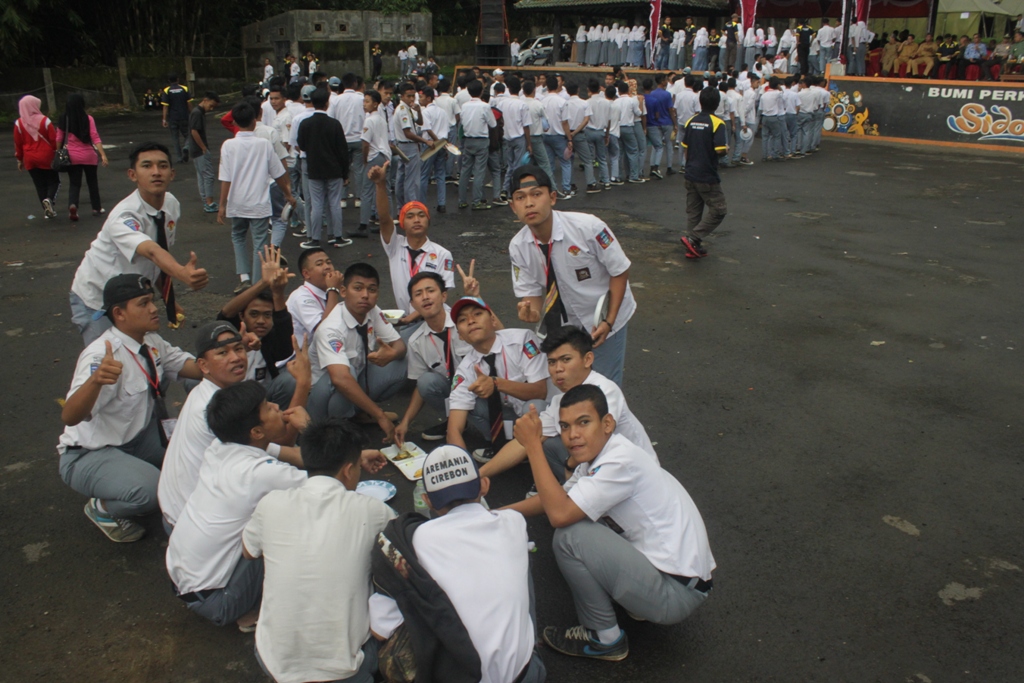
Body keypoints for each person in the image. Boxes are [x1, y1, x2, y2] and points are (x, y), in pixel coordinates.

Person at [507, 384, 716, 662]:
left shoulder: (618, 462)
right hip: (680, 577)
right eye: (565, 426)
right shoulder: (603, 455)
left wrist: (533, 446)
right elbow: (556, 498)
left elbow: (559, 514)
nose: (573, 435)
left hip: (676, 593)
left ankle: (604, 638)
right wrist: (499, 513)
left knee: (570, 535)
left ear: (607, 423)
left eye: (584, 423)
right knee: (579, 518)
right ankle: (636, 603)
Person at [370, 445, 546, 683]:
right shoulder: (514, 523)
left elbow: (380, 630)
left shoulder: (417, 539)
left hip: (457, 674)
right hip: (524, 675)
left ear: (427, 500)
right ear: (484, 485)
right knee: (522, 560)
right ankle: (529, 646)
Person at [244, 418, 392, 683]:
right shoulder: (373, 510)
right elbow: (402, 552)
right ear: (348, 471)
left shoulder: (272, 503)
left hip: (272, 659)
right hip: (343, 670)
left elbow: (248, 552)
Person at [58, 274, 202, 543]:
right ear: (119, 313)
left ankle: (131, 474)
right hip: (90, 453)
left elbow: (190, 367)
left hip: (137, 438)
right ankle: (101, 509)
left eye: (152, 301)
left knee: (187, 463)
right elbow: (71, 416)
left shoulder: (151, 342)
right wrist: (95, 380)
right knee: (150, 491)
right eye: (143, 303)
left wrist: (229, 352)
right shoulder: (101, 355)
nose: (153, 308)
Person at [166, 381, 309, 630]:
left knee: (262, 516)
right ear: (256, 432)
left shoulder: (219, 446)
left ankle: (246, 599)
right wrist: (310, 429)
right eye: (268, 408)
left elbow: (290, 455)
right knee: (291, 522)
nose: (277, 407)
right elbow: (330, 486)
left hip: (184, 581)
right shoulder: (260, 473)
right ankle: (252, 609)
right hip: (218, 601)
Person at [159, 314, 307, 531]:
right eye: (222, 353)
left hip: (179, 514)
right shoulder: (217, 409)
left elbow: (283, 451)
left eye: (239, 349)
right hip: (193, 525)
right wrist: (303, 384)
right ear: (203, 366)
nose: (236, 358)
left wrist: (352, 457)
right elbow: (284, 444)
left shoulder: (213, 393)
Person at [507, 165, 636, 386]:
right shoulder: (518, 246)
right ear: (512, 206)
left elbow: (619, 271)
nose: (529, 203)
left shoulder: (588, 227)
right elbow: (532, 295)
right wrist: (533, 313)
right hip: (563, 326)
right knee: (571, 387)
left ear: (553, 197)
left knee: (606, 387)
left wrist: (609, 321)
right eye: (520, 198)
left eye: (536, 194)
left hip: (604, 316)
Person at [70, 142, 209, 345]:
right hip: (97, 298)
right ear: (132, 175)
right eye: (146, 166)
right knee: (109, 365)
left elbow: (157, 259)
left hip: (132, 297)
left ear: (172, 173)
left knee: (141, 358)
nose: (156, 172)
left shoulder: (171, 204)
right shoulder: (124, 215)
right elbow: (152, 251)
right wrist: (182, 273)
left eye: (162, 166)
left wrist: (169, 299)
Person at [479, 324, 655, 485]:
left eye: (566, 359)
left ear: (587, 359)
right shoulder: (562, 399)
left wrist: (569, 468)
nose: (558, 369)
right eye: (552, 362)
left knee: (564, 514)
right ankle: (568, 490)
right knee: (545, 442)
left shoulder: (605, 390)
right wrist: (478, 476)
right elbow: (522, 444)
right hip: (603, 470)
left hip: (637, 476)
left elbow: (597, 448)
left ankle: (572, 496)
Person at [307, 263, 408, 442]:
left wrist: (392, 354)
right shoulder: (331, 328)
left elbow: (399, 345)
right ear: (344, 292)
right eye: (358, 288)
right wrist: (380, 416)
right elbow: (340, 379)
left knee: (404, 362)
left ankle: (356, 414)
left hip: (356, 380)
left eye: (372, 289)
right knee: (347, 374)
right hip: (322, 399)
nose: (365, 295)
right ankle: (336, 428)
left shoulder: (372, 311)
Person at [445, 296, 548, 462]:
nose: (471, 321)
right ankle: (501, 446)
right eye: (463, 320)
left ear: (493, 320)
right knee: (468, 405)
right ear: (460, 335)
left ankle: (539, 459)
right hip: (506, 413)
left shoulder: (522, 340)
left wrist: (495, 383)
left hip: (540, 412)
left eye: (477, 314)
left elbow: (540, 391)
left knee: (535, 406)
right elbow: (454, 430)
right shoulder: (465, 368)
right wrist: (464, 471)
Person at [218, 102, 295, 291]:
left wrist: (222, 205)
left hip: (236, 202)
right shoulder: (263, 145)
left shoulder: (228, 145)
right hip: (259, 203)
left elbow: (225, 178)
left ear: (234, 122)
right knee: (259, 243)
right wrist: (287, 194)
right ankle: (257, 284)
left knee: (238, 237)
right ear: (255, 121)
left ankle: (243, 277)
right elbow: (277, 174)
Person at [394, 271, 477, 444]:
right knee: (425, 381)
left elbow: (498, 339)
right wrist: (405, 422)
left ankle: (493, 434)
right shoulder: (416, 341)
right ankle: (455, 422)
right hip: (455, 391)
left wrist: (477, 298)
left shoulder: (465, 322)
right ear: (413, 305)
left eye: (430, 291)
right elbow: (420, 387)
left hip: (481, 388)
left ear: (444, 295)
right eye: (418, 294)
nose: (425, 297)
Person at [371, 162, 455, 329]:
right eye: (410, 216)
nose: (416, 220)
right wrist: (380, 184)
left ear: (428, 220)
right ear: (401, 223)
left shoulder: (442, 254)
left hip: (435, 321)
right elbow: (384, 218)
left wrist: (411, 318)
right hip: (404, 321)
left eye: (421, 215)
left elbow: (441, 294)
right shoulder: (395, 246)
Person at [216, 246, 302, 404]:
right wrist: (263, 282)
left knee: (290, 380)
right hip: (231, 401)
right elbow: (226, 313)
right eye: (254, 314)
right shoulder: (231, 333)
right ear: (242, 316)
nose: (261, 321)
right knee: (192, 382)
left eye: (267, 315)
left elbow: (284, 345)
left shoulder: (271, 337)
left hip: (264, 400)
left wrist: (277, 293)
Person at [297, 87, 351, 250]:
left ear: (312, 102)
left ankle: (314, 238)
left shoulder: (305, 124)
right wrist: (345, 172)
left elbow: (302, 145)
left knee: (316, 204)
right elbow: (342, 150)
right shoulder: (334, 124)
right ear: (327, 103)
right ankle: (337, 236)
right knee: (334, 203)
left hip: (314, 169)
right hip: (334, 169)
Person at [680, 86, 728, 260]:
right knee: (719, 210)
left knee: (694, 211)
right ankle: (693, 237)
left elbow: (685, 147)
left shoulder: (691, 121)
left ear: (700, 101)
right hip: (707, 174)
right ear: (717, 103)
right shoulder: (718, 123)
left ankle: (692, 245)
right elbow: (720, 149)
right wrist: (726, 150)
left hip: (691, 171)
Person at [55, 93, 109, 222]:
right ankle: (96, 208)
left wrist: (58, 151)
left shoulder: (64, 118)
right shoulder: (88, 118)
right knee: (92, 182)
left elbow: (59, 138)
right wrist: (103, 154)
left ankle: (73, 205)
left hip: (72, 156)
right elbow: (95, 137)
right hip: (89, 156)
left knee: (74, 184)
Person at [286, 246, 345, 345]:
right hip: (298, 358)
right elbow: (325, 331)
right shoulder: (301, 297)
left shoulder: (326, 292)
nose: (327, 267)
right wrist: (333, 290)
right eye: (319, 264)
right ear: (306, 274)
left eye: (329, 262)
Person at [14, 94, 59, 219]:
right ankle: (49, 199)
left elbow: (18, 143)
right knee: (54, 181)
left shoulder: (18, 123)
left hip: (29, 158)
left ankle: (47, 211)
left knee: (39, 185)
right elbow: (54, 140)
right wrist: (57, 153)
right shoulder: (45, 121)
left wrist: (19, 159)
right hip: (46, 156)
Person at [458, 80, 498, 211]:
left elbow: (462, 122)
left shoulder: (464, 106)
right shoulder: (484, 106)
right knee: (479, 171)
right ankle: (476, 200)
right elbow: (493, 124)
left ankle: (462, 200)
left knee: (465, 171)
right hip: (481, 140)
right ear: (481, 91)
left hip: (468, 139)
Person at [393, 82, 434, 206]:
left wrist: (419, 111)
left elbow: (419, 122)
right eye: (408, 96)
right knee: (412, 181)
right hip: (409, 146)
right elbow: (408, 133)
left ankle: (402, 208)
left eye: (413, 96)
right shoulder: (403, 111)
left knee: (401, 178)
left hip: (403, 145)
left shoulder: (408, 109)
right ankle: (412, 207)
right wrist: (425, 141)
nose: (411, 99)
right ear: (402, 96)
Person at [359, 89, 390, 235]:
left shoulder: (369, 120)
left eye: (367, 101)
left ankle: (363, 224)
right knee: (383, 188)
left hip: (373, 155)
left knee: (366, 191)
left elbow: (365, 143)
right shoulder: (381, 119)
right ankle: (382, 219)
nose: (364, 104)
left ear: (376, 104)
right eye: (364, 101)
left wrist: (365, 160)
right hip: (384, 154)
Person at [541, 75, 574, 199]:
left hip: (545, 135)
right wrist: (569, 138)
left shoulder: (542, 101)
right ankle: (566, 189)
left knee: (549, 164)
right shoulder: (562, 102)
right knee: (566, 162)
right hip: (559, 135)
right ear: (558, 85)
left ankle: (551, 189)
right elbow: (565, 122)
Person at [187, 91, 220, 214]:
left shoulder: (197, 112)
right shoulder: (197, 113)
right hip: (199, 149)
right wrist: (203, 147)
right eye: (211, 105)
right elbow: (194, 131)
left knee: (202, 176)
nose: (211, 109)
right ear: (205, 100)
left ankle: (206, 201)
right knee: (208, 176)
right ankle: (209, 202)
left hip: (195, 149)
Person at [645, 74, 676, 180]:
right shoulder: (667, 94)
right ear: (662, 81)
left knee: (656, 145)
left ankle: (653, 166)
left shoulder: (652, 94)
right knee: (668, 145)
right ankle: (669, 167)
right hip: (667, 122)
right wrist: (675, 123)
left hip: (656, 122)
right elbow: (671, 110)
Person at [582, 79, 611, 192]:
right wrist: (607, 134)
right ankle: (606, 180)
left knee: (588, 159)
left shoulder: (587, 102)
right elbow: (609, 120)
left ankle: (591, 181)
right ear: (600, 88)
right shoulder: (606, 102)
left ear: (589, 89)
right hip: (601, 131)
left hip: (589, 130)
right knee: (602, 157)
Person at [161, 74, 192, 164]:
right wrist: (192, 114)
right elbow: (189, 104)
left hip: (173, 118)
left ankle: (179, 157)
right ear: (178, 80)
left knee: (175, 138)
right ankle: (186, 147)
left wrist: (164, 119)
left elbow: (165, 106)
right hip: (184, 116)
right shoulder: (184, 89)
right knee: (188, 135)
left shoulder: (167, 90)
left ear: (169, 81)